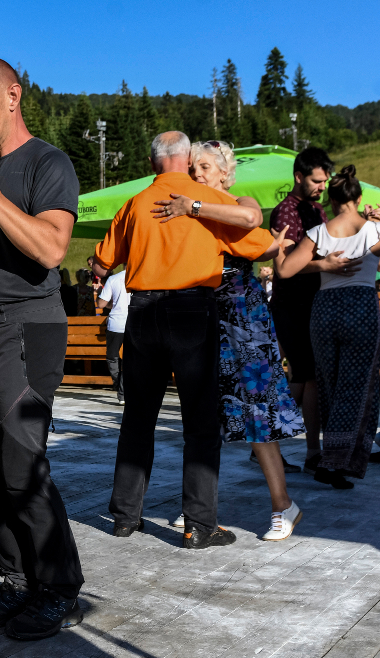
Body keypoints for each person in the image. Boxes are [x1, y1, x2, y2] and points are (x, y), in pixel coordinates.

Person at [94, 131, 276, 551]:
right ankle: (199, 525)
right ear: (186, 157)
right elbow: (261, 244)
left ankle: (124, 516)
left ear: (154, 160)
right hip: (193, 310)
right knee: (198, 422)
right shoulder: (206, 203)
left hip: (141, 312)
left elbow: (104, 259)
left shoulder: (134, 203)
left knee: (139, 417)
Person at [0, 57, 83, 642]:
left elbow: (53, 249)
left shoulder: (47, 163)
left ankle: (57, 587)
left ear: (13, 96)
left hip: (31, 325)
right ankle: (14, 575)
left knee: (22, 462)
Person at [152, 140, 303, 540]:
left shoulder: (230, 200)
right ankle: (200, 508)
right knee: (206, 412)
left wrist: (194, 207)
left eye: (204, 166)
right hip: (204, 312)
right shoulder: (185, 206)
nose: (197, 173)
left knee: (257, 409)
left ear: (223, 171)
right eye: (193, 166)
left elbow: (252, 217)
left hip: (243, 315)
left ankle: (283, 504)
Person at [272, 165, 380, 488]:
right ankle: (340, 459)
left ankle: (327, 459)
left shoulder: (319, 232)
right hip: (361, 307)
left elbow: (287, 271)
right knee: (358, 386)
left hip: (325, 311)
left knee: (329, 384)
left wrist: (283, 253)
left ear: (331, 200)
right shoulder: (373, 232)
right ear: (359, 198)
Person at [269, 148, 355, 475]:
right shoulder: (284, 213)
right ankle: (310, 451)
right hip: (292, 305)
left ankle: (267, 443)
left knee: (305, 378)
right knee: (309, 376)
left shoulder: (317, 210)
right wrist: (325, 264)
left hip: (315, 303)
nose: (322, 186)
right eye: (316, 181)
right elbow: (285, 266)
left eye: (325, 181)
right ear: (298, 177)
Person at [96, 269, 128, 405]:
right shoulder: (141, 275)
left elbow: (101, 304)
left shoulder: (114, 279)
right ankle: (123, 392)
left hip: (116, 323)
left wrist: (112, 303)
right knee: (129, 359)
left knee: (112, 357)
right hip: (134, 323)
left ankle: (119, 386)